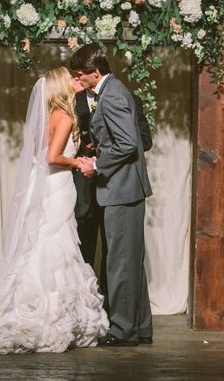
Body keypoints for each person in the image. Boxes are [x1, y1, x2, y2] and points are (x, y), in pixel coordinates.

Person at [0, 66, 108, 354]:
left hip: (49, 184)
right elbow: (53, 157)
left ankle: (40, 309)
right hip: (57, 184)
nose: (75, 79)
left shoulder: (52, 115)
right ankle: (49, 314)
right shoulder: (64, 116)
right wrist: (78, 162)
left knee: (44, 242)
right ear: (59, 87)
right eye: (70, 77)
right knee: (54, 243)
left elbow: (43, 152)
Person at [71, 44, 153, 347]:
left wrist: (97, 163)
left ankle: (123, 330)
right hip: (123, 190)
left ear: (96, 72)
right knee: (130, 262)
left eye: (81, 74)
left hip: (121, 190)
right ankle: (140, 328)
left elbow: (129, 143)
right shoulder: (113, 91)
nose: (77, 78)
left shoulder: (113, 94)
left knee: (120, 263)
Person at [73, 79, 152, 298]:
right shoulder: (72, 100)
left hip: (115, 186)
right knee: (82, 247)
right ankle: (84, 305)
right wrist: (83, 146)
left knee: (116, 253)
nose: (78, 79)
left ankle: (111, 308)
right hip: (84, 189)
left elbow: (143, 141)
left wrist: (104, 149)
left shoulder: (129, 98)